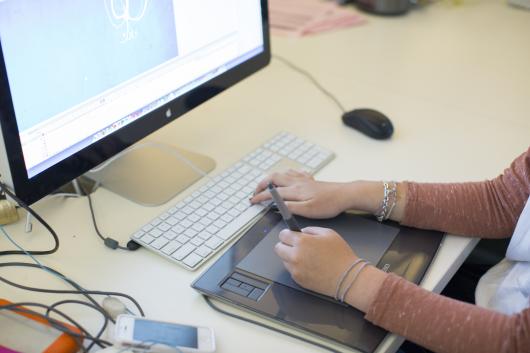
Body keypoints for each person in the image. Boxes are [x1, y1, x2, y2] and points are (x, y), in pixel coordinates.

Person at [250, 147, 530, 353]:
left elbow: (515, 342)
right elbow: (503, 201)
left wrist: (349, 278)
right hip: (501, 298)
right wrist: (351, 193)